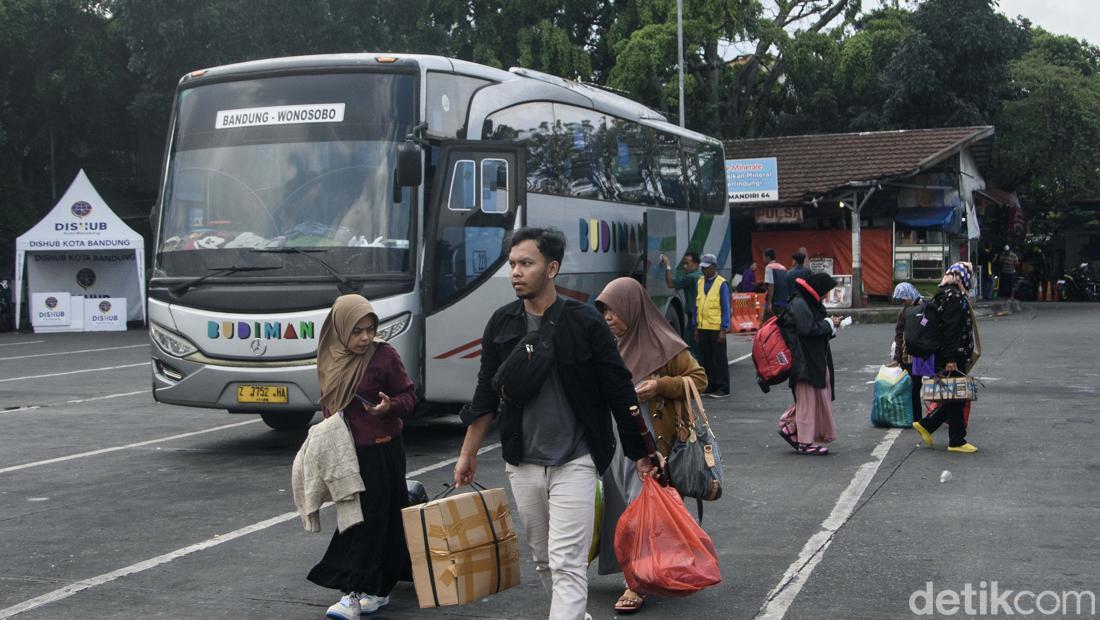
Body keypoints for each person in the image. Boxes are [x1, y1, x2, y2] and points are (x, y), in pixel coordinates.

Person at [454, 227, 661, 620]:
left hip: (576, 459)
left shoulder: (584, 322)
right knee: (543, 559)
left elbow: (619, 391)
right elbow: (485, 396)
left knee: (567, 560)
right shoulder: (501, 324)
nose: (515, 272)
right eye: (512, 264)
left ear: (551, 268)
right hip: (522, 462)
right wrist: (468, 454)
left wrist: (641, 452)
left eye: (526, 263)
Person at [594, 277, 708, 614]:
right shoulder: (611, 346)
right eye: (604, 312)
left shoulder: (667, 343)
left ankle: (637, 583)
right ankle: (646, 569)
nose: (608, 318)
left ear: (633, 307)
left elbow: (699, 379)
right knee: (628, 508)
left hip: (657, 443)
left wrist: (659, 385)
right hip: (619, 442)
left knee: (642, 505)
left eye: (613, 310)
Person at [308, 295, 417, 619]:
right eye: (356, 331)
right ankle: (378, 587)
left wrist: (390, 407)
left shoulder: (384, 356)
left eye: (370, 329)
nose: (365, 338)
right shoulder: (330, 355)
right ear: (340, 329)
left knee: (368, 520)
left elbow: (408, 394)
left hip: (382, 449)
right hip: (345, 453)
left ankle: (354, 592)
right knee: (364, 518)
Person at [912, 262, 979, 453]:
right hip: (952, 354)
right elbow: (951, 329)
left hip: (945, 353)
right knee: (956, 396)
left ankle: (929, 425)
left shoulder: (941, 294)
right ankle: (956, 440)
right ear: (962, 276)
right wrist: (951, 358)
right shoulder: (954, 297)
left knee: (954, 396)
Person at [776, 273, 841, 455]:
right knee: (807, 402)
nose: (826, 296)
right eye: (825, 291)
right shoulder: (800, 303)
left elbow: (813, 329)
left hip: (811, 360)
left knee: (812, 399)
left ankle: (791, 429)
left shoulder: (804, 301)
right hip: (804, 361)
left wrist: (830, 325)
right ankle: (805, 442)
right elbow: (808, 329)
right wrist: (829, 324)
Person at [695, 253, 731, 398]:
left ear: (714, 267)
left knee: (719, 360)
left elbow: (726, 308)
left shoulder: (721, 283)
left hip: (716, 329)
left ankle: (723, 388)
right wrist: (696, 327)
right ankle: (710, 386)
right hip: (703, 328)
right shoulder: (700, 282)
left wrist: (724, 329)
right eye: (702, 268)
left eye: (707, 268)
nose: (704, 271)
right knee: (706, 359)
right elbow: (696, 306)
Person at [891, 282, 925, 422]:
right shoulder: (903, 312)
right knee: (913, 386)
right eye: (901, 300)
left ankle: (916, 418)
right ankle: (914, 417)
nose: (903, 302)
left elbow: (927, 325)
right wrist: (897, 357)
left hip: (921, 353)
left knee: (916, 386)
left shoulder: (924, 309)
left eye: (904, 298)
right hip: (907, 355)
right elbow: (899, 335)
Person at [660, 251, 703, 357]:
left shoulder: (690, 278)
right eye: (684, 263)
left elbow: (670, 283)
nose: (685, 266)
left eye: (688, 263)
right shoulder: (701, 276)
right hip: (702, 317)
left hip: (694, 319)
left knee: (689, 347)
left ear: (697, 264)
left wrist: (667, 266)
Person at [763, 248, 790, 316]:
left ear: (768, 258)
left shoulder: (769, 267)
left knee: (766, 323)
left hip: (774, 302)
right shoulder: (783, 268)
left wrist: (769, 304)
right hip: (783, 302)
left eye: (764, 257)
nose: (763, 260)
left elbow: (771, 286)